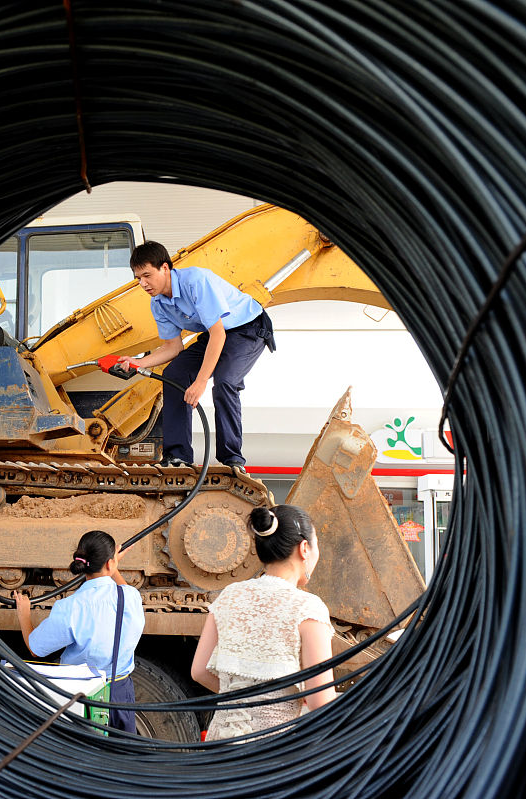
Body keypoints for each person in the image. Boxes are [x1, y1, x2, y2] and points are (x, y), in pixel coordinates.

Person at [118, 240, 275, 472]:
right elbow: (173, 348)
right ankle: (177, 456)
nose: (143, 284)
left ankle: (232, 459)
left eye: (147, 275)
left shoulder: (196, 281)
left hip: (247, 329)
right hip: (216, 334)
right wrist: (137, 362)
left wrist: (200, 382)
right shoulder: (158, 304)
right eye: (138, 278)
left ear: (165, 268)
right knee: (175, 374)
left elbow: (218, 334)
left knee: (224, 382)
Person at [190, 505, 336, 739]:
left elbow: (199, 671)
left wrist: (242, 699)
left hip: (220, 745)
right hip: (272, 753)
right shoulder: (308, 607)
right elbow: (320, 701)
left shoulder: (229, 595)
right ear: (305, 548)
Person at [13, 530, 145, 733]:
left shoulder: (69, 607)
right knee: (123, 756)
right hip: (120, 692)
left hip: (81, 694)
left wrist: (24, 614)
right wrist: (113, 568)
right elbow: (123, 588)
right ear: (110, 563)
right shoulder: (130, 597)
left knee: (82, 755)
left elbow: (35, 649)